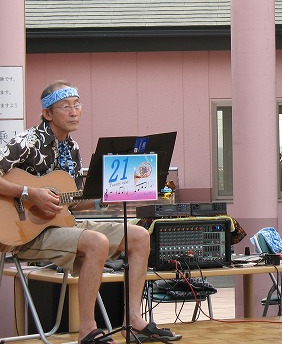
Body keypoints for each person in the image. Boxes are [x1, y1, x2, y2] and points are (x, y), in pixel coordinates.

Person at [0, 80, 181, 344]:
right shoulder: (27, 141)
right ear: (48, 113)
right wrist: (29, 193)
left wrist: (101, 200)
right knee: (97, 242)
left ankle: (133, 319)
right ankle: (87, 329)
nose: (74, 112)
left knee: (140, 235)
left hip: (63, 226)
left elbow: (70, 202)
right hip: (26, 233)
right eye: (65, 106)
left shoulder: (72, 149)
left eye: (77, 105)